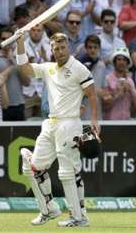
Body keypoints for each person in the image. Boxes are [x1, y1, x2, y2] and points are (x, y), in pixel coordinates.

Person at [17, 32, 100, 227]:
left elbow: (92, 95)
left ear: (68, 48)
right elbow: (24, 68)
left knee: (66, 172)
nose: (60, 51)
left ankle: (78, 217)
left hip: (70, 122)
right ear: (52, 49)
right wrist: (20, 43)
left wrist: (94, 119)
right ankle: (49, 209)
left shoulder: (79, 68)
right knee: (33, 166)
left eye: (63, 48)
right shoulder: (48, 69)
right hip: (51, 123)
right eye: (56, 48)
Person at [102, 47, 136, 120]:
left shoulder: (130, 81)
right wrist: (118, 94)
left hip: (126, 122)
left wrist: (131, 91)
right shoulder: (107, 79)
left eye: (124, 60)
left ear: (127, 63)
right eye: (119, 59)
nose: (121, 62)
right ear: (114, 62)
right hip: (110, 123)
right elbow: (104, 106)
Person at [78, 34, 105, 120]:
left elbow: (103, 88)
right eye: (90, 47)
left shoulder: (102, 66)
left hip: (97, 112)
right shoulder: (79, 66)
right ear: (86, 48)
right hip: (82, 112)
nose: (92, 50)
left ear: (99, 48)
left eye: (95, 47)